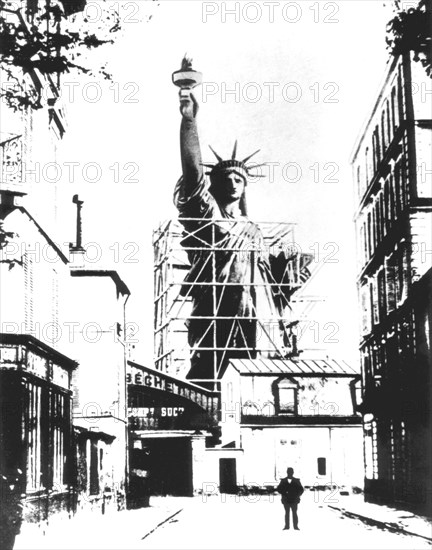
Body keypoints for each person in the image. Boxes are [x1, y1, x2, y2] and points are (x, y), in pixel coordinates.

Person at [174, 77, 313, 384]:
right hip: (218, 306)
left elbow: (273, 277)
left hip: (257, 309)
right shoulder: (210, 216)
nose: (233, 183)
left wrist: (289, 259)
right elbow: (192, 172)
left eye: (239, 180)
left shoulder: (253, 230)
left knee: (260, 374)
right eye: (227, 179)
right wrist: (189, 121)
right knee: (213, 367)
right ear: (215, 185)